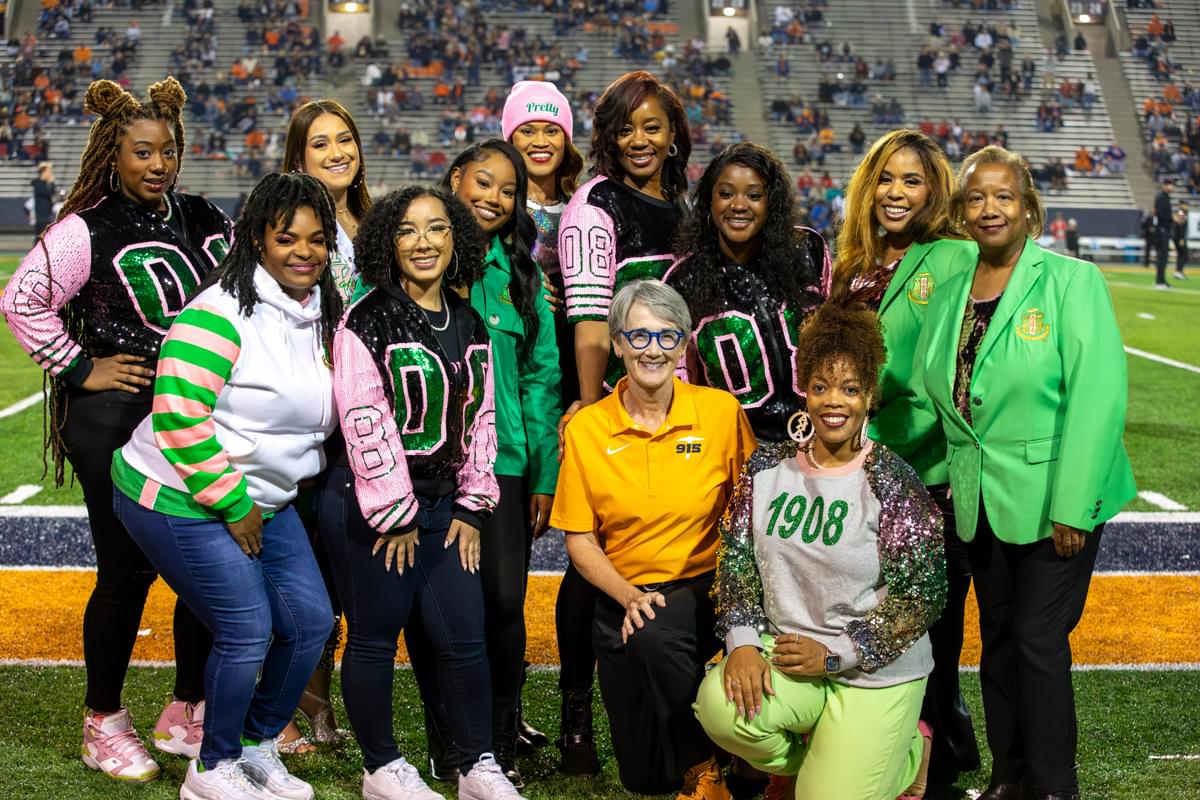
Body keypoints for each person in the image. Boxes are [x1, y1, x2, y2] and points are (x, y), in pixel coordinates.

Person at [1, 78, 227, 783]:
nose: (159, 164)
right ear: (113, 154)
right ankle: (103, 720)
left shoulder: (203, 215)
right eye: (142, 152)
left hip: (194, 413)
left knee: (205, 565)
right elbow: (21, 300)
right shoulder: (87, 227)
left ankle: (186, 707)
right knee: (127, 570)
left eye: (168, 151)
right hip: (118, 414)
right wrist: (80, 367)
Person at [112, 172, 343, 800]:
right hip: (177, 492)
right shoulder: (219, 312)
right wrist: (235, 502)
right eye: (286, 238)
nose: (303, 252)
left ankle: (256, 745)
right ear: (257, 241)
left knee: (310, 622)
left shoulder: (324, 312)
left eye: (317, 239)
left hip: (266, 495)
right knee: (247, 628)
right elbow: (179, 416)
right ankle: (211, 768)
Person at [917, 146, 1136, 800]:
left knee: (1037, 641)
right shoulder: (951, 291)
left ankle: (1054, 786)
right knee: (999, 643)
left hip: (1054, 501)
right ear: (962, 211)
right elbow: (948, 396)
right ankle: (1009, 776)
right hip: (981, 500)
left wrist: (1073, 505)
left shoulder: (1071, 281)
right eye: (976, 197)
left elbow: (1098, 398)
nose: (990, 208)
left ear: (1029, 208)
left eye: (1004, 196)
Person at [695, 301, 946, 800]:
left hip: (873, 670)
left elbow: (923, 595)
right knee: (719, 708)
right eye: (821, 387)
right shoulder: (767, 468)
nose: (835, 402)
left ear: (869, 396)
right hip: (789, 656)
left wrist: (836, 655)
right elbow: (737, 562)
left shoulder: (891, 481)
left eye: (850, 389)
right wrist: (742, 643)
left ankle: (907, 755)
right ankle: (825, 759)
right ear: (804, 391)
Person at [322, 186, 525, 800]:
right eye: (407, 231)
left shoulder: (469, 319)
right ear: (387, 242)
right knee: (376, 636)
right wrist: (396, 511)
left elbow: (482, 418)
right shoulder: (365, 318)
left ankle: (477, 765)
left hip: (444, 508)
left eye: (436, 228)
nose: (423, 242)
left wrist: (474, 504)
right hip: (373, 507)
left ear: (455, 238)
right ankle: (381, 767)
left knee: (465, 638)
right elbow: (364, 418)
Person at [552, 279, 755, 800]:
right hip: (622, 595)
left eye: (668, 336)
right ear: (618, 344)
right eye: (639, 336)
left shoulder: (720, 412)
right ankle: (710, 746)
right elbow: (580, 540)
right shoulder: (587, 428)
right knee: (645, 779)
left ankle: (706, 767)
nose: (653, 350)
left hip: (703, 588)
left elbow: (752, 514)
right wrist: (627, 596)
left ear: (683, 344)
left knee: (650, 632)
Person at [406, 140, 559, 789]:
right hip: (425, 465)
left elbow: (542, 379)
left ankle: (496, 742)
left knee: (501, 602)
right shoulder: (411, 257)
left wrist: (544, 474)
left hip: (505, 464)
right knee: (432, 607)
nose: (494, 198)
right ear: (454, 179)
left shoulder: (521, 278)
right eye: (484, 182)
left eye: (508, 190)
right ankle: (447, 739)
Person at [832, 128, 980, 793]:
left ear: (934, 192)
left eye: (912, 181)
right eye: (886, 179)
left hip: (925, 478)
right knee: (871, 624)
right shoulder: (853, 263)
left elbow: (942, 377)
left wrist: (871, 432)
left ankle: (938, 768)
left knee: (929, 637)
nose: (896, 192)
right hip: (859, 476)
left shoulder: (953, 256)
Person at [555, 69, 691, 777]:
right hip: (617, 398)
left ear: (673, 135)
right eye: (625, 128)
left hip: (678, 401)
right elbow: (587, 315)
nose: (639, 140)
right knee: (593, 557)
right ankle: (577, 712)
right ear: (607, 136)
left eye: (652, 126)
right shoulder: (596, 204)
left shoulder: (684, 201)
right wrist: (589, 402)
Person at [274, 96, 373, 754]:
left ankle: (319, 695)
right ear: (298, 157)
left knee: (343, 573)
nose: (338, 152)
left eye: (345, 139)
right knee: (300, 572)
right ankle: (285, 705)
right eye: (321, 143)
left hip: (366, 421)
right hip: (308, 417)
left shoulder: (375, 220)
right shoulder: (289, 226)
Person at [502, 81, 593, 773]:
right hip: (522, 391)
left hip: (585, 390)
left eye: (551, 128)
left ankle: (576, 714)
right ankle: (503, 710)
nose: (539, 140)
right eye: (527, 129)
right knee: (509, 562)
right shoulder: (492, 202)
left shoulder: (589, 205)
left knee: (587, 550)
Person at [665, 142, 828, 444]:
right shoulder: (681, 281)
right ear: (708, 201)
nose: (739, 205)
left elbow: (838, 343)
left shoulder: (808, 250)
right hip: (737, 446)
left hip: (820, 438)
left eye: (754, 195)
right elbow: (680, 382)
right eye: (726, 194)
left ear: (771, 203)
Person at [1154, 179, 1174, 288]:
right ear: (1165, 186)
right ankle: (1160, 281)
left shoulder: (1164, 197)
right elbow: (1160, 214)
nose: (1172, 187)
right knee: (1163, 256)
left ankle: (1161, 280)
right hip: (1162, 230)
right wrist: (1171, 219)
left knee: (1163, 256)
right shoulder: (1162, 197)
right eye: (1170, 185)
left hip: (1163, 229)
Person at [31, 160, 55, 239]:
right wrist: (51, 182)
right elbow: (50, 192)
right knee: (39, 239)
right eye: (49, 171)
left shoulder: (44, 183)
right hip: (41, 218)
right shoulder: (38, 184)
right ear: (44, 172)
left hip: (47, 216)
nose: (50, 173)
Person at [1172, 201, 1188, 280]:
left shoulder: (1181, 212)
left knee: (1181, 254)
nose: (1186, 206)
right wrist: (1181, 238)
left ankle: (1178, 271)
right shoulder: (1181, 212)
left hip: (1178, 236)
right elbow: (1180, 224)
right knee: (1184, 254)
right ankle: (1179, 271)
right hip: (1179, 237)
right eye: (1185, 205)